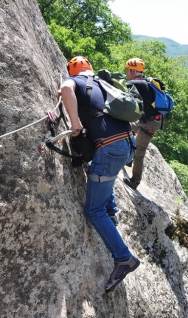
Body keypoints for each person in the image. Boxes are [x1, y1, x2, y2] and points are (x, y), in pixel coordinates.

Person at [58, 56, 140, 293]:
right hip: (126, 146)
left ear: (73, 70)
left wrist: (75, 123)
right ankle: (112, 212)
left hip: (111, 149)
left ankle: (124, 258)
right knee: (103, 175)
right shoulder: (102, 83)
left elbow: (66, 89)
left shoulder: (74, 81)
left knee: (93, 210)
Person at [123, 58, 164, 190]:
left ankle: (135, 181)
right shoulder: (146, 81)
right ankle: (128, 159)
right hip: (147, 118)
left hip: (150, 123)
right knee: (127, 130)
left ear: (132, 70)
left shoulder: (134, 83)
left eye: (127, 70)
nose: (126, 73)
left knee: (139, 153)